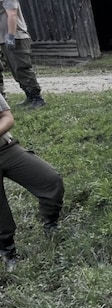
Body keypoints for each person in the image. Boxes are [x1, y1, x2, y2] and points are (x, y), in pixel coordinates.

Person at [0, 95, 64, 271]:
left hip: (5, 148)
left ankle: (51, 224)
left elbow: (7, 116)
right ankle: (7, 251)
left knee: (51, 181)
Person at [0, 0, 45, 109]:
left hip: (16, 37)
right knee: (13, 71)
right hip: (3, 39)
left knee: (22, 68)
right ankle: (28, 96)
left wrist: (11, 35)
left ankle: (37, 98)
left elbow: (12, 14)